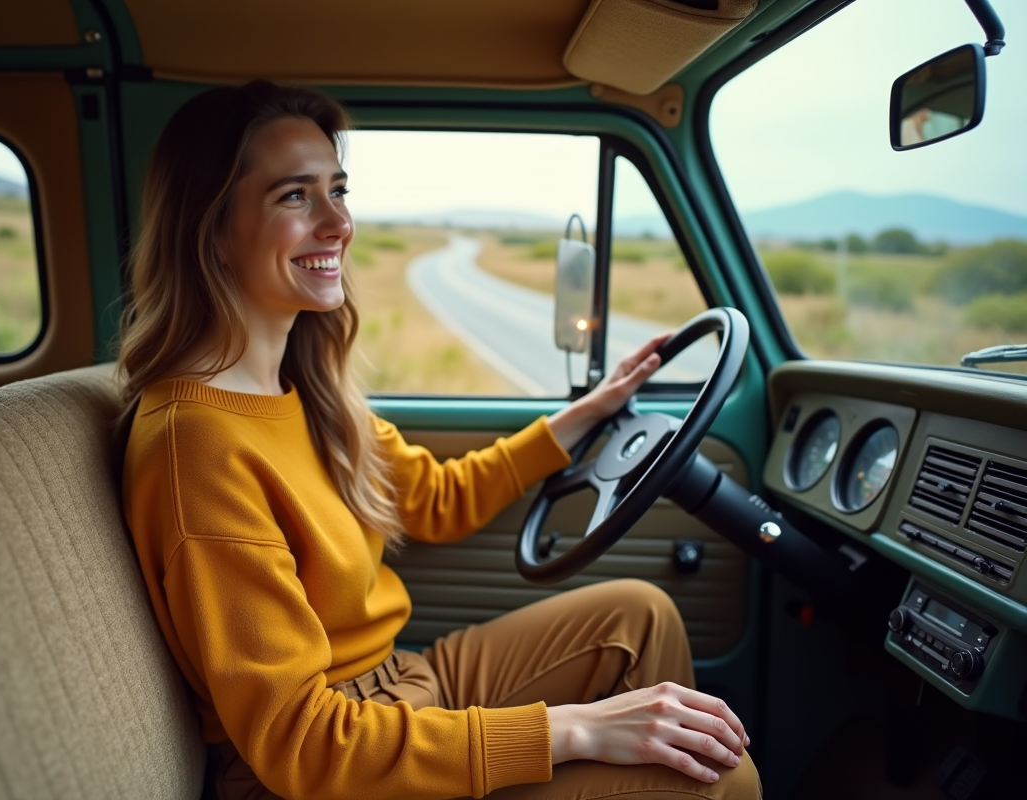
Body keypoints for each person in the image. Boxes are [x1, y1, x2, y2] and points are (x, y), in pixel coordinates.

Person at [118, 80, 761, 800]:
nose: (338, 223)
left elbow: (437, 498)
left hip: (403, 682)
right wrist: (577, 729)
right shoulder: (198, 446)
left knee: (638, 616)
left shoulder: (306, 392)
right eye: (294, 197)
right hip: (330, 762)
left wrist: (588, 413)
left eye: (338, 190)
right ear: (212, 231)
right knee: (722, 782)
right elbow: (302, 744)